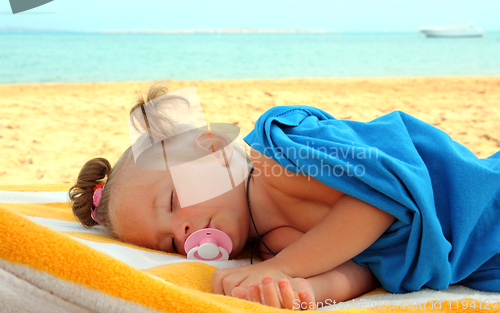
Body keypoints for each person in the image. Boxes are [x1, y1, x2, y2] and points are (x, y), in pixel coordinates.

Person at [69, 82, 500, 310]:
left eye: (171, 204)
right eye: (167, 243)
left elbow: (376, 200)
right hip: (482, 261)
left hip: (478, 202)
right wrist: (307, 289)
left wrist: (285, 267)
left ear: (209, 149)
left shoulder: (279, 159)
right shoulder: (271, 242)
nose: (181, 234)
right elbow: (368, 269)